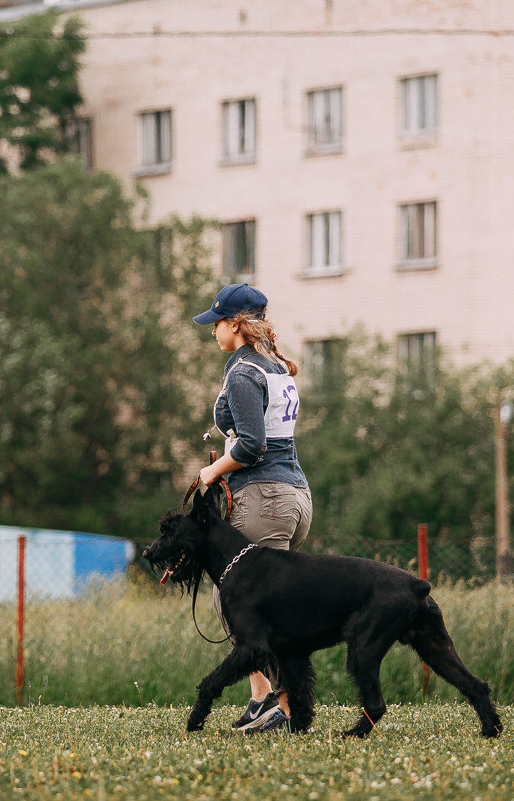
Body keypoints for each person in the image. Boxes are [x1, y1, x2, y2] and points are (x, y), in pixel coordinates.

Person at [193, 282, 313, 734]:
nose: (213, 333)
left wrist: (212, 472)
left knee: (241, 604)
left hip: (263, 498)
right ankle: (265, 699)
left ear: (236, 325)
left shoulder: (243, 371)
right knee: (267, 607)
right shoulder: (275, 366)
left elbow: (252, 445)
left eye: (217, 323)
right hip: (294, 498)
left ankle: (278, 704)